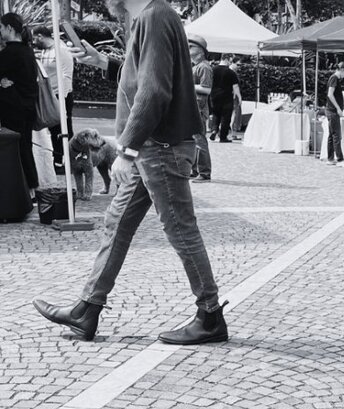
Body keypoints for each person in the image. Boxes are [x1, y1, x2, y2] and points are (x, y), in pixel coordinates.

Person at [33, 0, 228, 346]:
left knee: (180, 229)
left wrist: (127, 149)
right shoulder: (152, 17)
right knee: (117, 222)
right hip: (154, 147)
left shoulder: (154, 16)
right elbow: (144, 76)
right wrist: (105, 63)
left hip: (158, 147)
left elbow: (155, 91)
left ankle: (210, 315)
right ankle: (87, 309)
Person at [0, 13, 39, 191]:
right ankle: (31, 187)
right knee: (25, 147)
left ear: (9, 28)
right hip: (28, 107)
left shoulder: (9, 53)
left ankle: (26, 189)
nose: (0, 31)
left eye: (1, 27)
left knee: (16, 150)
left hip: (13, 109)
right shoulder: (28, 51)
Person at [32, 24, 74, 170]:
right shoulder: (44, 51)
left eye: (34, 39)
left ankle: (70, 161)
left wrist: (61, 99)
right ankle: (58, 161)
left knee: (64, 128)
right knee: (53, 129)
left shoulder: (61, 50)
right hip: (49, 95)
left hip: (61, 95)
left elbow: (67, 75)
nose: (33, 42)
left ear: (40, 36)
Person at [189, 33, 212, 181]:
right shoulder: (197, 67)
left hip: (199, 108)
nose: (188, 49)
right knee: (193, 141)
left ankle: (204, 173)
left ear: (201, 51)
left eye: (191, 47)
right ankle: (196, 170)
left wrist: (186, 84)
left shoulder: (204, 67)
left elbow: (207, 89)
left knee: (199, 141)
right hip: (193, 107)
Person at [325, 61, 344, 168]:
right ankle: (340, 159)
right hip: (333, 111)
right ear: (342, 70)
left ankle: (330, 158)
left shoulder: (335, 79)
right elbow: (330, 95)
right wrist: (338, 109)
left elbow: (338, 99)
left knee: (332, 136)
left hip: (332, 110)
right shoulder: (334, 78)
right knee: (337, 136)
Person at [209, 53, 240, 143]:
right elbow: (235, 87)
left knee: (216, 114)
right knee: (226, 116)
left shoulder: (212, 70)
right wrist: (239, 97)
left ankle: (214, 130)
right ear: (226, 59)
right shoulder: (230, 72)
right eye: (230, 60)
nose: (231, 62)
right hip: (227, 97)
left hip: (214, 95)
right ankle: (223, 137)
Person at [229, 56, 243, 140]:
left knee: (233, 114)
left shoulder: (233, 71)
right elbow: (235, 86)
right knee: (235, 114)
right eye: (238, 64)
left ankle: (232, 133)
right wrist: (239, 96)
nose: (239, 67)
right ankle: (233, 134)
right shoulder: (232, 72)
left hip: (231, 96)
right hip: (233, 96)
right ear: (233, 63)